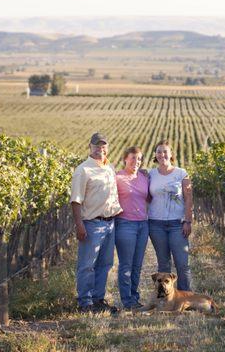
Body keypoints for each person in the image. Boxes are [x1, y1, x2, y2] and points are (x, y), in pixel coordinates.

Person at [70, 132, 122, 314]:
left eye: (104, 146)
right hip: (92, 223)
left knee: (105, 264)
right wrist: (79, 225)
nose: (101, 149)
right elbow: (76, 200)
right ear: (90, 147)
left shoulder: (109, 167)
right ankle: (84, 302)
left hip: (110, 223)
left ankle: (98, 299)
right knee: (87, 265)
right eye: (97, 146)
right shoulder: (83, 170)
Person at [147, 139, 193, 291]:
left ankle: (185, 297)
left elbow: (188, 199)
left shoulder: (182, 173)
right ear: (155, 155)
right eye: (159, 151)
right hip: (155, 224)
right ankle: (166, 297)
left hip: (177, 224)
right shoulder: (151, 174)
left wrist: (188, 221)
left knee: (182, 264)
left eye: (165, 151)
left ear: (171, 154)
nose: (162, 154)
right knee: (163, 264)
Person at [114, 146, 150, 310]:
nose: (136, 161)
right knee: (126, 264)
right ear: (125, 159)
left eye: (139, 159)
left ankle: (134, 297)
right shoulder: (118, 177)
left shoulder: (143, 177)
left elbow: (149, 197)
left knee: (137, 265)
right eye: (133, 158)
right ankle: (127, 300)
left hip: (143, 224)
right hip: (125, 224)